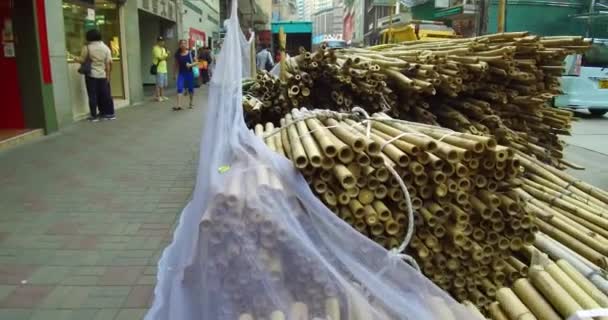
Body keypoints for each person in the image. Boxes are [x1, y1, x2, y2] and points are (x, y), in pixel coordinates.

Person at [77, 29, 115, 121]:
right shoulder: (105, 47)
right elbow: (109, 63)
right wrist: (108, 76)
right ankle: (107, 113)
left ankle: (94, 116)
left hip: (91, 75)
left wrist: (75, 58)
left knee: (92, 95)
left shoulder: (87, 48)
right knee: (104, 95)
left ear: (89, 37)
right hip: (102, 75)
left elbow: (82, 60)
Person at [173, 39, 197, 110]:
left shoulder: (190, 53)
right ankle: (179, 105)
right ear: (179, 45)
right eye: (181, 44)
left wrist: (190, 65)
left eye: (184, 43)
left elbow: (196, 62)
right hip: (181, 74)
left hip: (189, 74)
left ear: (186, 45)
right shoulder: (177, 54)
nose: (183, 45)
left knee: (191, 89)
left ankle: (191, 102)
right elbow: (175, 65)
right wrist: (174, 74)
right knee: (179, 88)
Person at [152, 36, 170, 102]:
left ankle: (162, 95)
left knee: (163, 84)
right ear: (157, 41)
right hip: (158, 68)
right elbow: (160, 57)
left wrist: (166, 55)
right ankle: (158, 96)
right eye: (160, 41)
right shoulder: (155, 48)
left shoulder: (163, 49)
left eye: (162, 41)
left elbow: (165, 57)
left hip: (164, 68)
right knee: (158, 83)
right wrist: (166, 54)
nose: (162, 42)